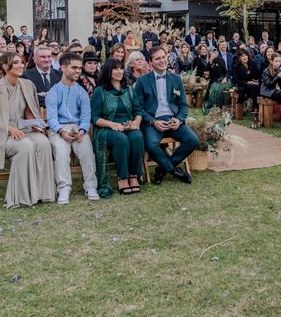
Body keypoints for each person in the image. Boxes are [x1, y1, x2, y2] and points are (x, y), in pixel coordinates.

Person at [0, 52, 55, 208]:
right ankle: (22, 197)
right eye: (16, 63)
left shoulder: (27, 85)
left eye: (22, 62)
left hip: (23, 129)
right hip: (1, 134)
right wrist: (8, 128)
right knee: (25, 145)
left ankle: (42, 193)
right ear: (5, 66)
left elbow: (28, 110)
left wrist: (32, 123)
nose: (21, 65)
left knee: (43, 142)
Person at [135, 46, 198, 185]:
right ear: (150, 62)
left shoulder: (176, 79)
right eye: (157, 58)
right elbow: (138, 108)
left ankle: (162, 169)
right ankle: (174, 171)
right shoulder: (142, 81)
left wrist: (179, 119)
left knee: (193, 140)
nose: (162, 60)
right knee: (150, 144)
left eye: (163, 57)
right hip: (153, 122)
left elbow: (183, 105)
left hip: (173, 120)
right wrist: (152, 122)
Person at [46, 53, 99, 204]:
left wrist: (82, 130)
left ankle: (90, 186)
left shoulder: (81, 92)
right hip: (59, 129)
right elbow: (51, 118)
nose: (78, 71)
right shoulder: (53, 92)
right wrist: (62, 132)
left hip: (78, 128)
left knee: (87, 151)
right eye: (74, 67)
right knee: (61, 152)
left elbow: (85, 115)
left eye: (79, 68)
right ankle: (64, 187)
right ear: (63, 68)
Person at [90, 59, 144, 197]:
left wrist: (136, 123)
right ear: (108, 71)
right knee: (121, 139)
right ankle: (123, 177)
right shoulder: (100, 92)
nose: (120, 71)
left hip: (128, 125)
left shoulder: (129, 90)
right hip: (106, 128)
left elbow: (138, 111)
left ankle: (133, 175)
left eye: (121, 68)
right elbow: (95, 118)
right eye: (115, 69)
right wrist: (113, 124)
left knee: (137, 137)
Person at [260, 53, 281, 123]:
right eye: (276, 61)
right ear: (271, 61)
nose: (278, 63)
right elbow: (269, 84)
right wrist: (278, 77)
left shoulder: (279, 70)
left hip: (274, 91)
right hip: (266, 91)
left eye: (279, 61)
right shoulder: (266, 71)